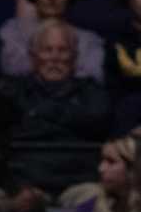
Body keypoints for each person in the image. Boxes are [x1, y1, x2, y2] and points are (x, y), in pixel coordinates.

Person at [7, 21, 113, 196]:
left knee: (98, 201)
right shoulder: (12, 91)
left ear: (75, 57)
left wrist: (38, 114)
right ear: (33, 56)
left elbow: (98, 124)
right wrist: (72, 121)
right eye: (47, 50)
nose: (55, 57)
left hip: (80, 181)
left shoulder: (93, 92)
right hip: (27, 182)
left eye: (63, 50)